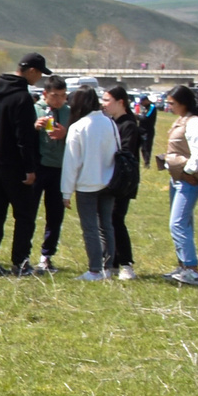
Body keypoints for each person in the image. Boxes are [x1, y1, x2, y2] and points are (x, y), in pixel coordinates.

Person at [0, 55, 47, 277]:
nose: (41, 77)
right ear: (31, 71)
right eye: (40, 72)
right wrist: (30, 167)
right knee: (24, 214)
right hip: (14, 164)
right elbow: (23, 136)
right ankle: (21, 262)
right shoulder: (22, 98)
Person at [61, 84, 122, 280]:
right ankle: (108, 267)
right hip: (109, 181)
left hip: (87, 184)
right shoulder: (110, 123)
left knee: (90, 228)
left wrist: (66, 192)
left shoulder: (78, 127)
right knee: (107, 225)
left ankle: (95, 269)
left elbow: (72, 162)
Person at [157, 84, 198, 287]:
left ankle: (192, 269)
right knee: (184, 223)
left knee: (178, 223)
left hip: (188, 181)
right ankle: (183, 266)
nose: (169, 106)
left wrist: (188, 171)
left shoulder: (194, 122)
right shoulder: (183, 120)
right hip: (178, 179)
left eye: (172, 103)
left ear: (183, 103)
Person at [32, 74, 70, 273]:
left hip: (59, 169)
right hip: (38, 167)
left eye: (63, 96)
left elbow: (78, 140)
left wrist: (67, 134)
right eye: (55, 96)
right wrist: (34, 127)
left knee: (55, 214)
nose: (59, 100)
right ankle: (22, 253)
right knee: (29, 211)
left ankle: (46, 255)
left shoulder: (69, 113)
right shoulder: (34, 110)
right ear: (45, 94)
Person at [105, 85, 143, 279]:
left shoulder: (128, 125)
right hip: (112, 178)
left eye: (107, 100)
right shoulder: (112, 122)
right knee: (109, 220)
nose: (104, 104)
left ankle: (126, 264)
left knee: (116, 219)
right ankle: (112, 262)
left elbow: (125, 153)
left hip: (123, 180)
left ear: (120, 102)